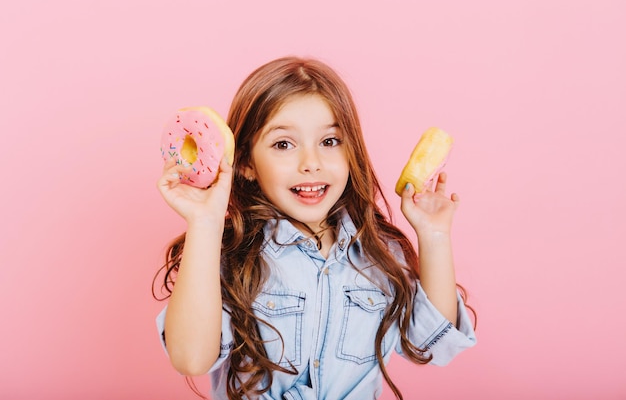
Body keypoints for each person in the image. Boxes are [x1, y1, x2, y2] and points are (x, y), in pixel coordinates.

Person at [154, 56, 476, 400]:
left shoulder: (378, 253)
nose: (311, 163)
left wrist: (435, 235)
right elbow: (190, 359)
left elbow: (434, 344)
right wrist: (204, 223)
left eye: (330, 141)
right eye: (283, 145)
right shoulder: (229, 256)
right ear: (246, 163)